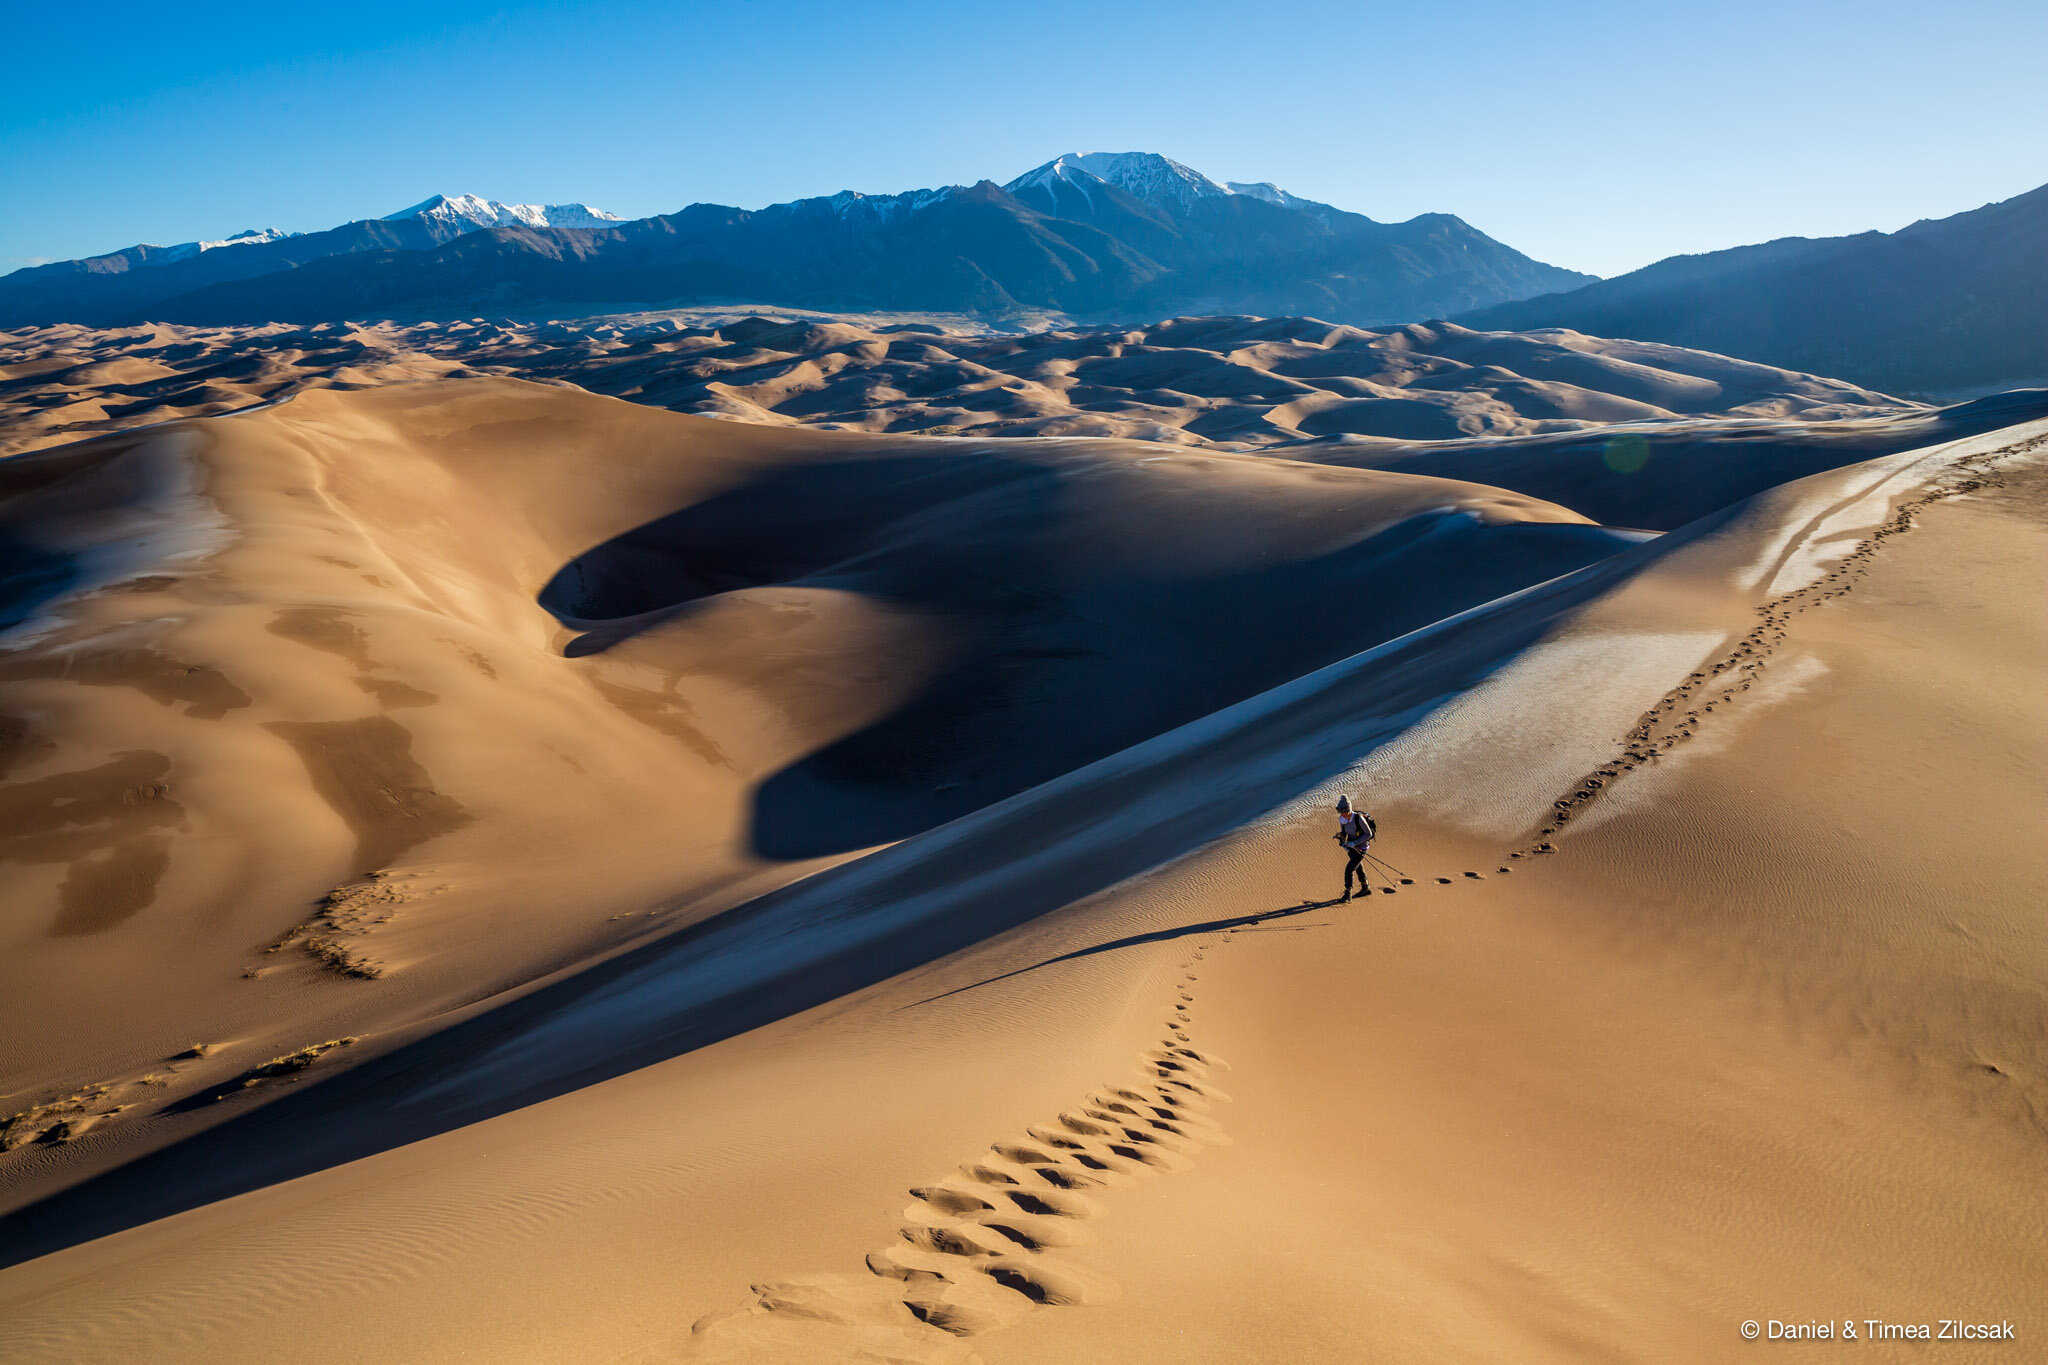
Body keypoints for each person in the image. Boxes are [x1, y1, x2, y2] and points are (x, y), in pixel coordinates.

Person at [1333, 794, 1375, 901]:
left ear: (1348, 810)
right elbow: (1344, 833)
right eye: (1340, 813)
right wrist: (1340, 838)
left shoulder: (1358, 818)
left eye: (1343, 812)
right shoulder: (1342, 819)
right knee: (1358, 867)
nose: (1341, 815)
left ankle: (1348, 894)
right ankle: (1366, 887)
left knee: (1349, 869)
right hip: (1351, 848)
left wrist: (1355, 842)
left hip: (1362, 848)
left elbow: (1368, 834)